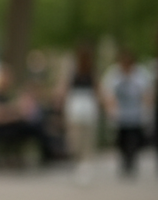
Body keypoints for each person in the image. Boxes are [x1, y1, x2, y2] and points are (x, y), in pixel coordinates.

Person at [0, 65, 55, 166]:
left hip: (11, 127)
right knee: (33, 127)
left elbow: (16, 112)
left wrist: (11, 113)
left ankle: (48, 154)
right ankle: (48, 155)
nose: (7, 83)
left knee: (36, 125)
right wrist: (9, 114)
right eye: (5, 80)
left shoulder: (7, 97)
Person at [100, 48, 153, 178]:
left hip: (135, 114)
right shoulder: (114, 74)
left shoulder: (141, 74)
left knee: (134, 140)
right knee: (122, 141)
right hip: (120, 115)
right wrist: (110, 110)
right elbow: (108, 93)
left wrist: (147, 109)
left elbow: (147, 93)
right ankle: (124, 162)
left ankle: (131, 162)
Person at [58, 43, 102, 185]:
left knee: (87, 139)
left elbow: (97, 89)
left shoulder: (91, 71)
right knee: (76, 138)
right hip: (76, 107)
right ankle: (79, 163)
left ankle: (85, 166)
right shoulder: (73, 71)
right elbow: (65, 88)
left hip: (87, 107)